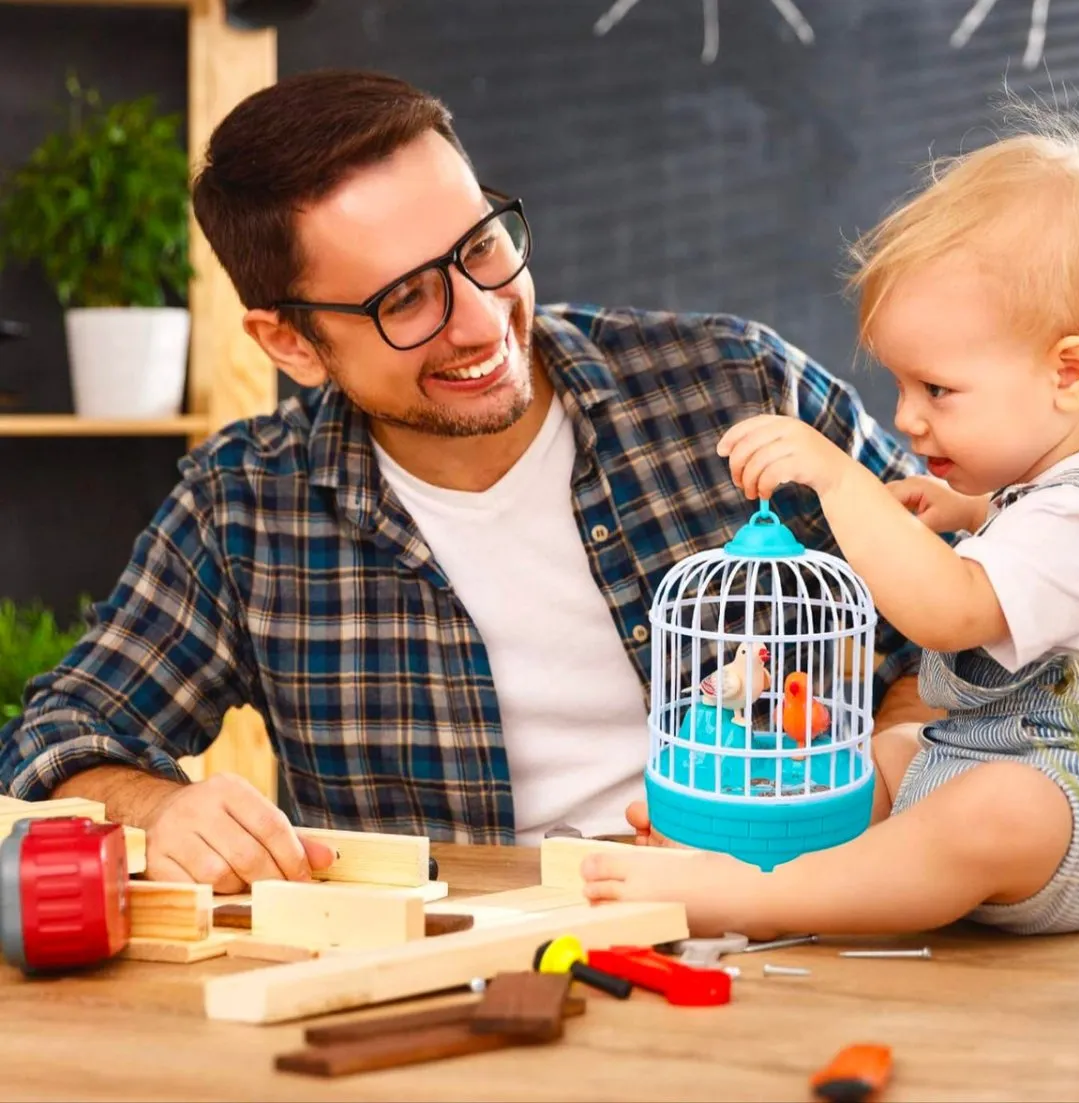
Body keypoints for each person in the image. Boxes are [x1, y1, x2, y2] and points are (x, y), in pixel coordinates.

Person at [0, 70, 929, 894]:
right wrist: (157, 810)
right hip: (452, 989)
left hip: (804, 932)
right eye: (403, 299)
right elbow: (57, 737)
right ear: (291, 343)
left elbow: (992, 613)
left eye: (480, 246)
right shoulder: (243, 507)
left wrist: (888, 774)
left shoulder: (737, 388)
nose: (483, 320)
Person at [581, 110, 1079, 939]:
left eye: (937, 391)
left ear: (1068, 372)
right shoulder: (1056, 497)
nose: (906, 418)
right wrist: (972, 511)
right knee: (886, 759)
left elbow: (948, 610)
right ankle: (752, 847)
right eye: (901, 387)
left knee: (992, 811)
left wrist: (844, 481)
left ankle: (759, 897)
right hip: (1001, 751)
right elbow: (1035, 544)